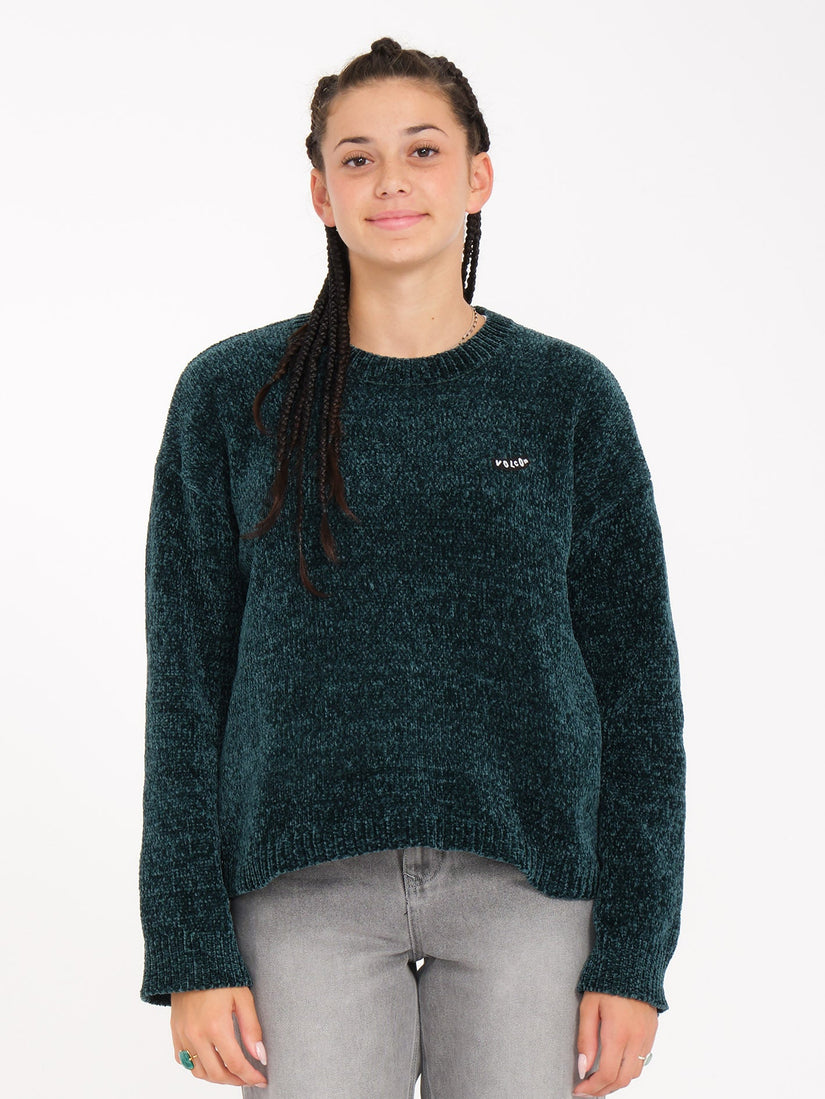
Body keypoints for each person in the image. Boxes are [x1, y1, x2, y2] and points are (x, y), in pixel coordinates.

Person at [139, 37, 686, 1099]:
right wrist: (191, 948)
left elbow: (639, 692)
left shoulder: (566, 397)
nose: (391, 179)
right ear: (321, 192)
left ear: (478, 176)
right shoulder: (233, 396)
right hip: (297, 889)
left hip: (529, 887)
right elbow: (185, 685)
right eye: (357, 157)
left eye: (423, 150)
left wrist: (633, 955)